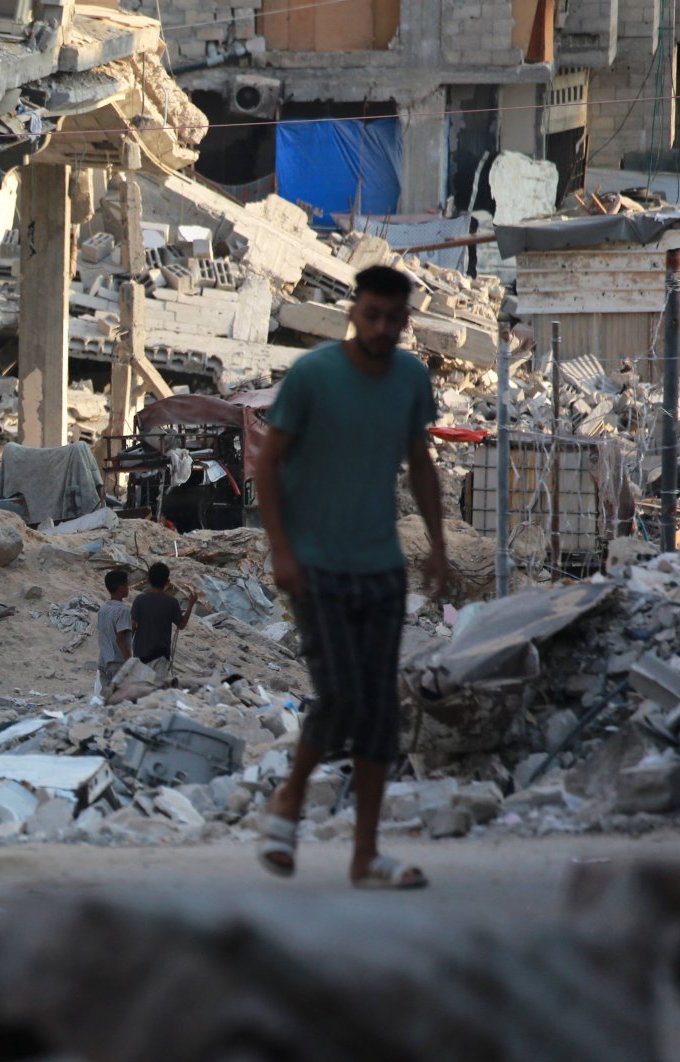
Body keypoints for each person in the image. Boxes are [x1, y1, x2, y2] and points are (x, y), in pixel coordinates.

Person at [253, 264, 448, 891]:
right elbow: (266, 464)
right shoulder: (313, 376)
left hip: (381, 570)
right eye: (372, 315)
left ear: (406, 321)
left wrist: (438, 544)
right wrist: (280, 549)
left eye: (395, 319)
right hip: (315, 566)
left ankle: (365, 855)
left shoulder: (412, 379)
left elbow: (420, 462)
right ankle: (289, 799)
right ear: (353, 311)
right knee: (338, 695)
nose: (383, 328)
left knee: (378, 714)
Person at [130, 561, 194, 678]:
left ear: (148, 579)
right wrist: (190, 605)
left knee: (140, 692)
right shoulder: (171, 602)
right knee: (157, 692)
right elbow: (181, 625)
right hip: (160, 656)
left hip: (140, 655)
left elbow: (132, 626)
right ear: (167, 582)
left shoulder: (139, 600)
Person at [97, 569, 133, 693]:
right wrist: (129, 661)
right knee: (118, 697)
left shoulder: (103, 608)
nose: (128, 588)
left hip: (103, 660)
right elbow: (120, 638)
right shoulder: (123, 611)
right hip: (118, 662)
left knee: (105, 696)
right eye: (127, 584)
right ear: (121, 587)